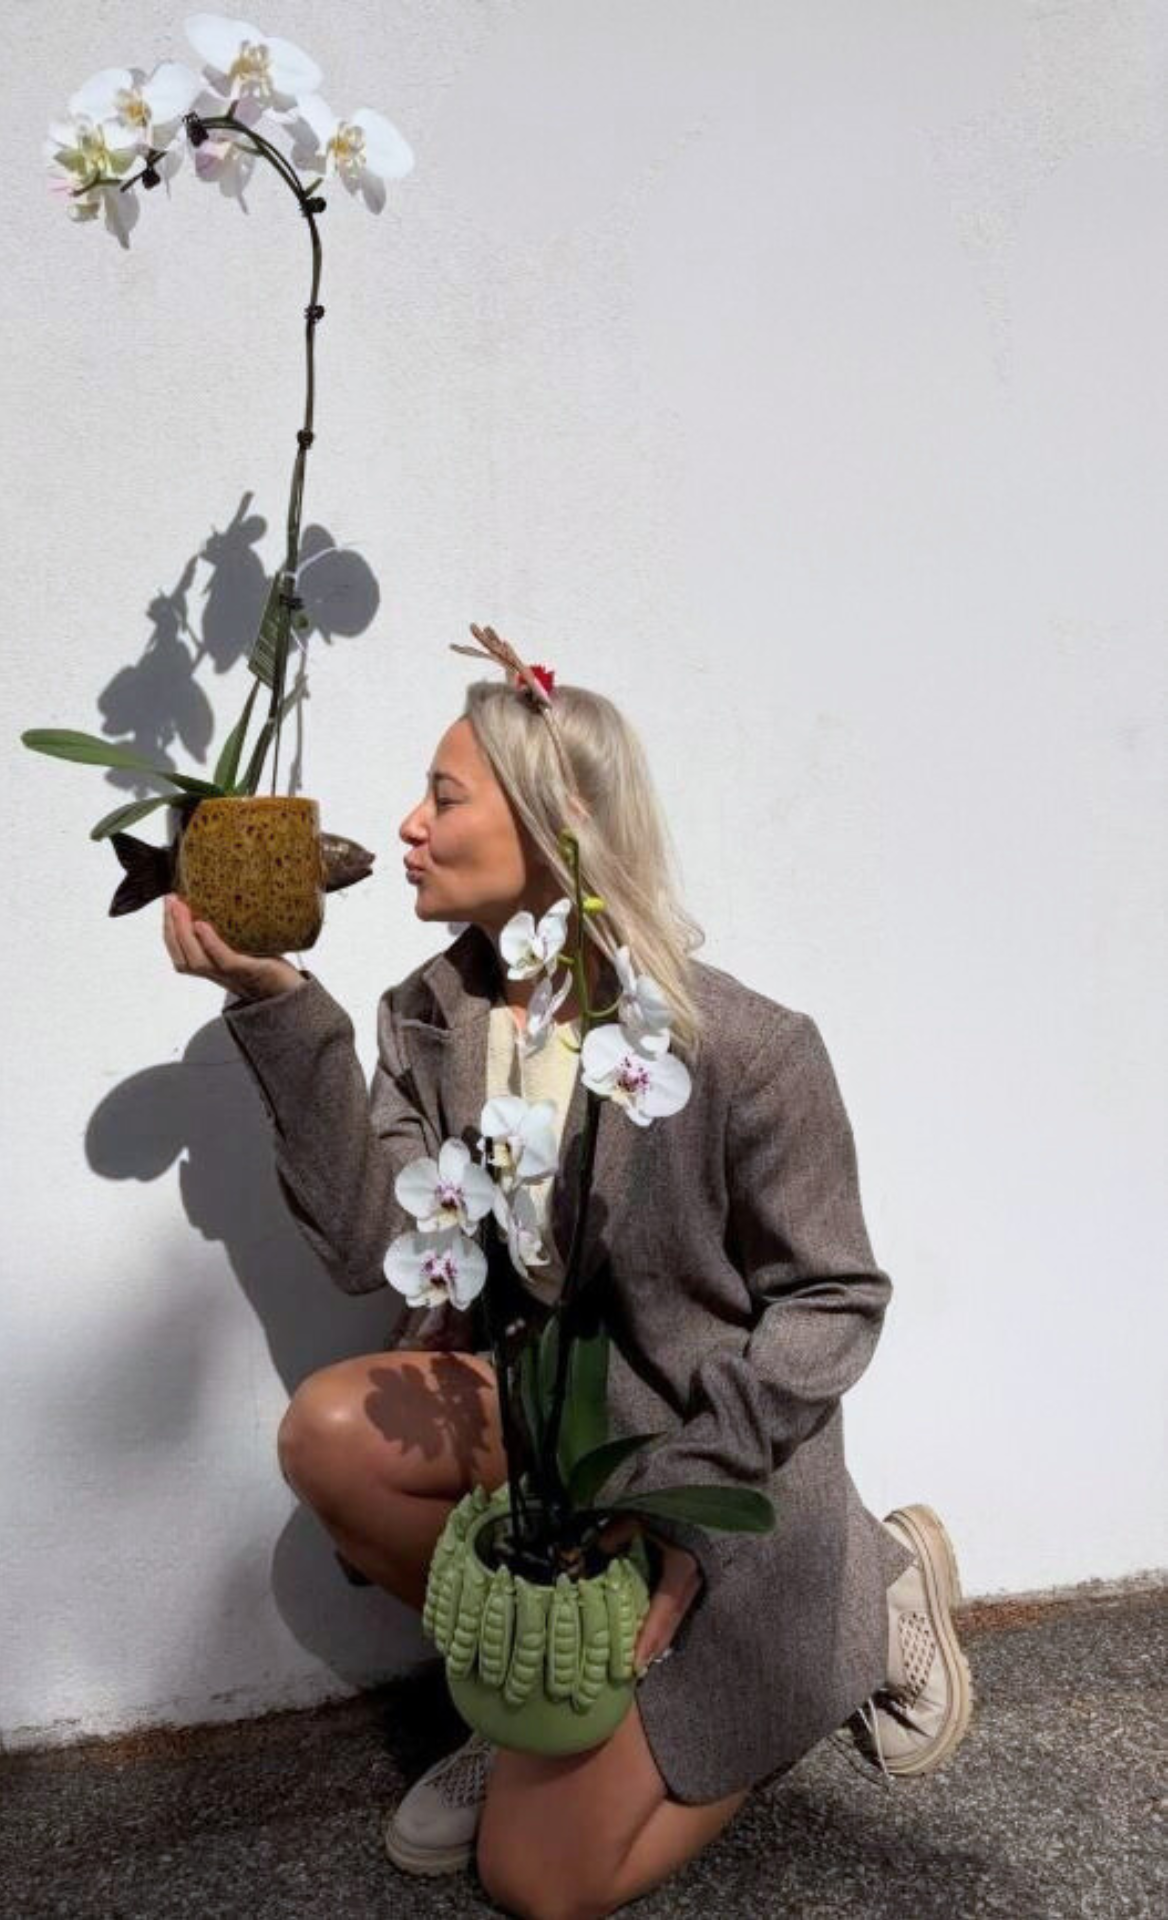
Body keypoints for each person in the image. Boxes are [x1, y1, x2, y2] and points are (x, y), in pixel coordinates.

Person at [161, 650, 974, 1915]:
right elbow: (370, 1238)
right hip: (553, 1439)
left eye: (445, 797)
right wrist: (278, 1006)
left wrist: (683, 1500)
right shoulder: (427, 1020)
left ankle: (848, 1613)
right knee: (331, 1435)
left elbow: (833, 1299)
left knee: (537, 1881)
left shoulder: (741, 1048)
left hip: (719, 1466)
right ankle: (543, 1687)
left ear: (561, 823)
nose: (407, 826)